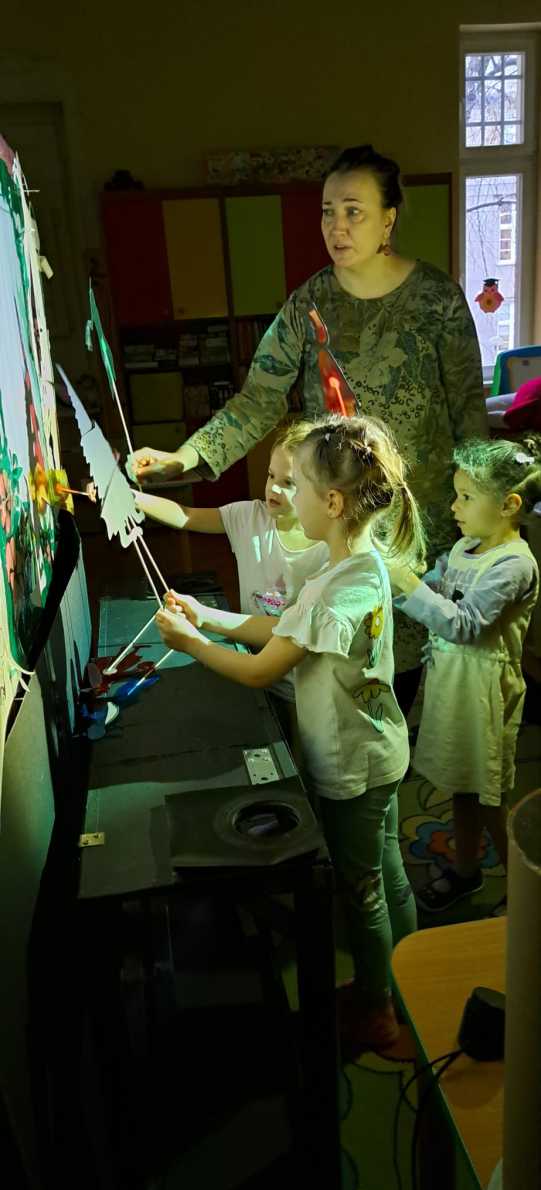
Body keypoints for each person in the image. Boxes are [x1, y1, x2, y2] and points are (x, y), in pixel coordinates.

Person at [127, 143, 488, 713]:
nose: (336, 227)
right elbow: (256, 402)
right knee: (336, 659)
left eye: (354, 211)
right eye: (327, 212)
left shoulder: (437, 299)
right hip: (342, 519)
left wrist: (483, 523)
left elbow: (470, 415)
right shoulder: (309, 305)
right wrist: (183, 458)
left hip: (424, 521)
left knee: (414, 667)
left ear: (388, 219)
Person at [154, 414, 425, 1058]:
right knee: (386, 872)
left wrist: (192, 643)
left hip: (352, 765)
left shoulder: (334, 590)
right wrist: (208, 615)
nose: (284, 496)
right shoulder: (351, 566)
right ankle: (406, 984)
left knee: (363, 889)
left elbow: (261, 669)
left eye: (295, 484)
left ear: (330, 503)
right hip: (380, 750)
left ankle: (381, 1011)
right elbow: (278, 630)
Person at [388, 438, 541, 912]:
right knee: (462, 785)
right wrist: (406, 579)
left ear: (509, 505)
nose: (454, 507)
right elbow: (434, 591)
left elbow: (465, 624)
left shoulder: (514, 565)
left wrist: (408, 584)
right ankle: (468, 869)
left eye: (466, 497)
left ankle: (526, 891)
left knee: (490, 795)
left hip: (485, 695)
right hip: (454, 685)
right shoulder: (464, 547)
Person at [133, 421, 328, 751]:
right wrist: (132, 498)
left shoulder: (326, 548)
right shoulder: (247, 517)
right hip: (252, 672)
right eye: (271, 476)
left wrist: (201, 625)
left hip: (306, 691)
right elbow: (187, 515)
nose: (274, 489)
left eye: (289, 483)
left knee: (301, 760)